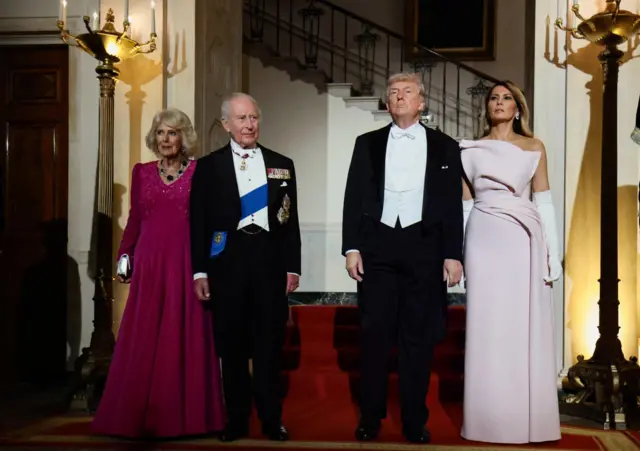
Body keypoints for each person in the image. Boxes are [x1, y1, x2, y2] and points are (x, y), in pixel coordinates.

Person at [342, 72, 463, 444]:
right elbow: (353, 195)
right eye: (393, 92)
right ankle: (371, 417)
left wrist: (452, 255)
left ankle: (414, 420)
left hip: (424, 247)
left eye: (407, 92)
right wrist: (351, 248)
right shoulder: (367, 143)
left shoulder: (444, 145)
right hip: (377, 245)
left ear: (421, 102)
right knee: (374, 334)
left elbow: (450, 204)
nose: (398, 97)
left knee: (418, 339)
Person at [92, 109, 225, 438]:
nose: (166, 139)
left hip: (184, 261)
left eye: (173, 133)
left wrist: (211, 264)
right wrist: (125, 256)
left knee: (184, 334)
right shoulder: (142, 173)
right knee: (145, 333)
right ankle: (138, 415)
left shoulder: (199, 172)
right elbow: (136, 218)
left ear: (184, 138)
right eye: (161, 133)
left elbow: (211, 222)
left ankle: (188, 417)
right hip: (150, 262)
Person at [190, 92, 301, 442]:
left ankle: (272, 419)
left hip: (269, 265)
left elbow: (290, 221)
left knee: (269, 347)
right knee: (233, 348)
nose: (249, 124)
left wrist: (293, 267)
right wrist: (200, 271)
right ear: (226, 124)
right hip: (228, 267)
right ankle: (236, 420)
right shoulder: (208, 167)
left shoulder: (282, 163)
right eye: (241, 118)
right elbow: (199, 224)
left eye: (253, 117)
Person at [460, 81, 562, 443]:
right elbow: (466, 204)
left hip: (523, 238)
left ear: (518, 108)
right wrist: (459, 255)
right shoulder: (468, 149)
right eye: (493, 98)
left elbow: (545, 200)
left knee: (520, 324)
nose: (499, 103)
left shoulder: (534, 147)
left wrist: (554, 252)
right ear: (486, 107)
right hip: (483, 236)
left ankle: (525, 417)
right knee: (487, 324)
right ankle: (487, 418)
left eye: (507, 98)